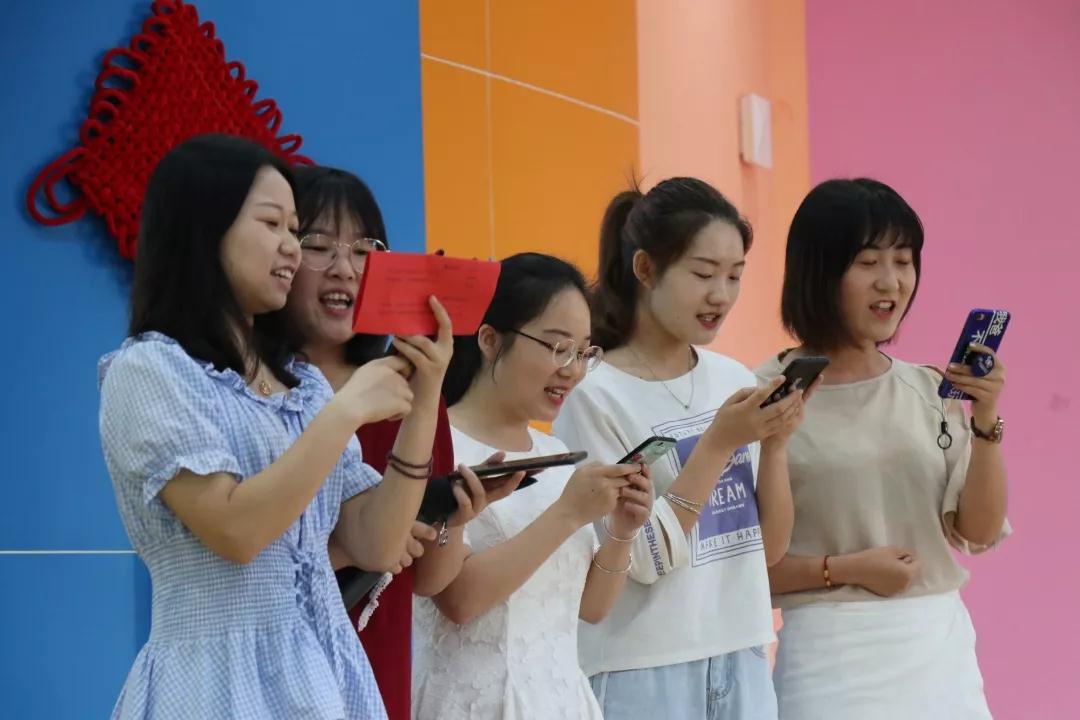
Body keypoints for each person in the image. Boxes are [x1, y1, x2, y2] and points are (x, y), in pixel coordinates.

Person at [98, 134, 451, 719]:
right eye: (275, 226)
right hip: (215, 682)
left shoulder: (302, 384)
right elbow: (236, 531)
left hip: (323, 675)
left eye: (293, 228)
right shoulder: (150, 370)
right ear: (205, 231)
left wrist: (426, 392)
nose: (291, 247)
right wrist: (343, 414)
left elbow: (378, 544)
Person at [553, 178, 809, 719]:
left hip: (741, 653)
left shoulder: (730, 378)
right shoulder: (593, 395)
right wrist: (717, 443)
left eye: (734, 275)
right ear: (645, 269)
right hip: (641, 669)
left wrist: (776, 445)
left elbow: (768, 550)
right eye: (703, 273)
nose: (722, 295)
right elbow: (642, 559)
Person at [759, 178, 1010, 719]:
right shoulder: (763, 397)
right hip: (830, 661)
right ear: (819, 271)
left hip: (939, 655)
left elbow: (979, 531)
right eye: (868, 262)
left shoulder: (928, 389)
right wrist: (844, 568)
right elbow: (741, 566)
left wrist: (985, 420)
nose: (891, 282)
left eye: (904, 260)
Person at [283, 165, 519, 720]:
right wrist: (360, 542)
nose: (344, 268)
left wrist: (452, 518)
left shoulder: (413, 387)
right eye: (317, 245)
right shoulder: (258, 392)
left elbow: (430, 581)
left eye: (365, 250)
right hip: (277, 667)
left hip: (377, 669)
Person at [412, 253, 654, 720]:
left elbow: (591, 607)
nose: (573, 370)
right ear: (489, 339)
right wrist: (567, 514)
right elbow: (458, 600)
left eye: (583, 353)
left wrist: (622, 530)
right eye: (558, 347)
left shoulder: (556, 454)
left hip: (561, 700)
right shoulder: (439, 444)